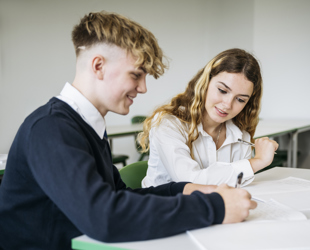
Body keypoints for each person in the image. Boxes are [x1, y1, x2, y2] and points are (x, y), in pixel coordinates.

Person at [0, 12, 257, 250]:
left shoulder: (86, 126)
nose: (143, 88)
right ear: (98, 66)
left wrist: (184, 189)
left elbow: (118, 196)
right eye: (136, 75)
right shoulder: (50, 128)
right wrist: (215, 207)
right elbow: (104, 217)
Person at [139, 48, 279, 188]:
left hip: (211, 207)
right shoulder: (169, 124)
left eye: (240, 100)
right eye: (222, 91)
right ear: (205, 82)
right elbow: (189, 182)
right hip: (163, 207)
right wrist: (258, 161)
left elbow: (237, 186)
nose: (227, 104)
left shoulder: (241, 136)